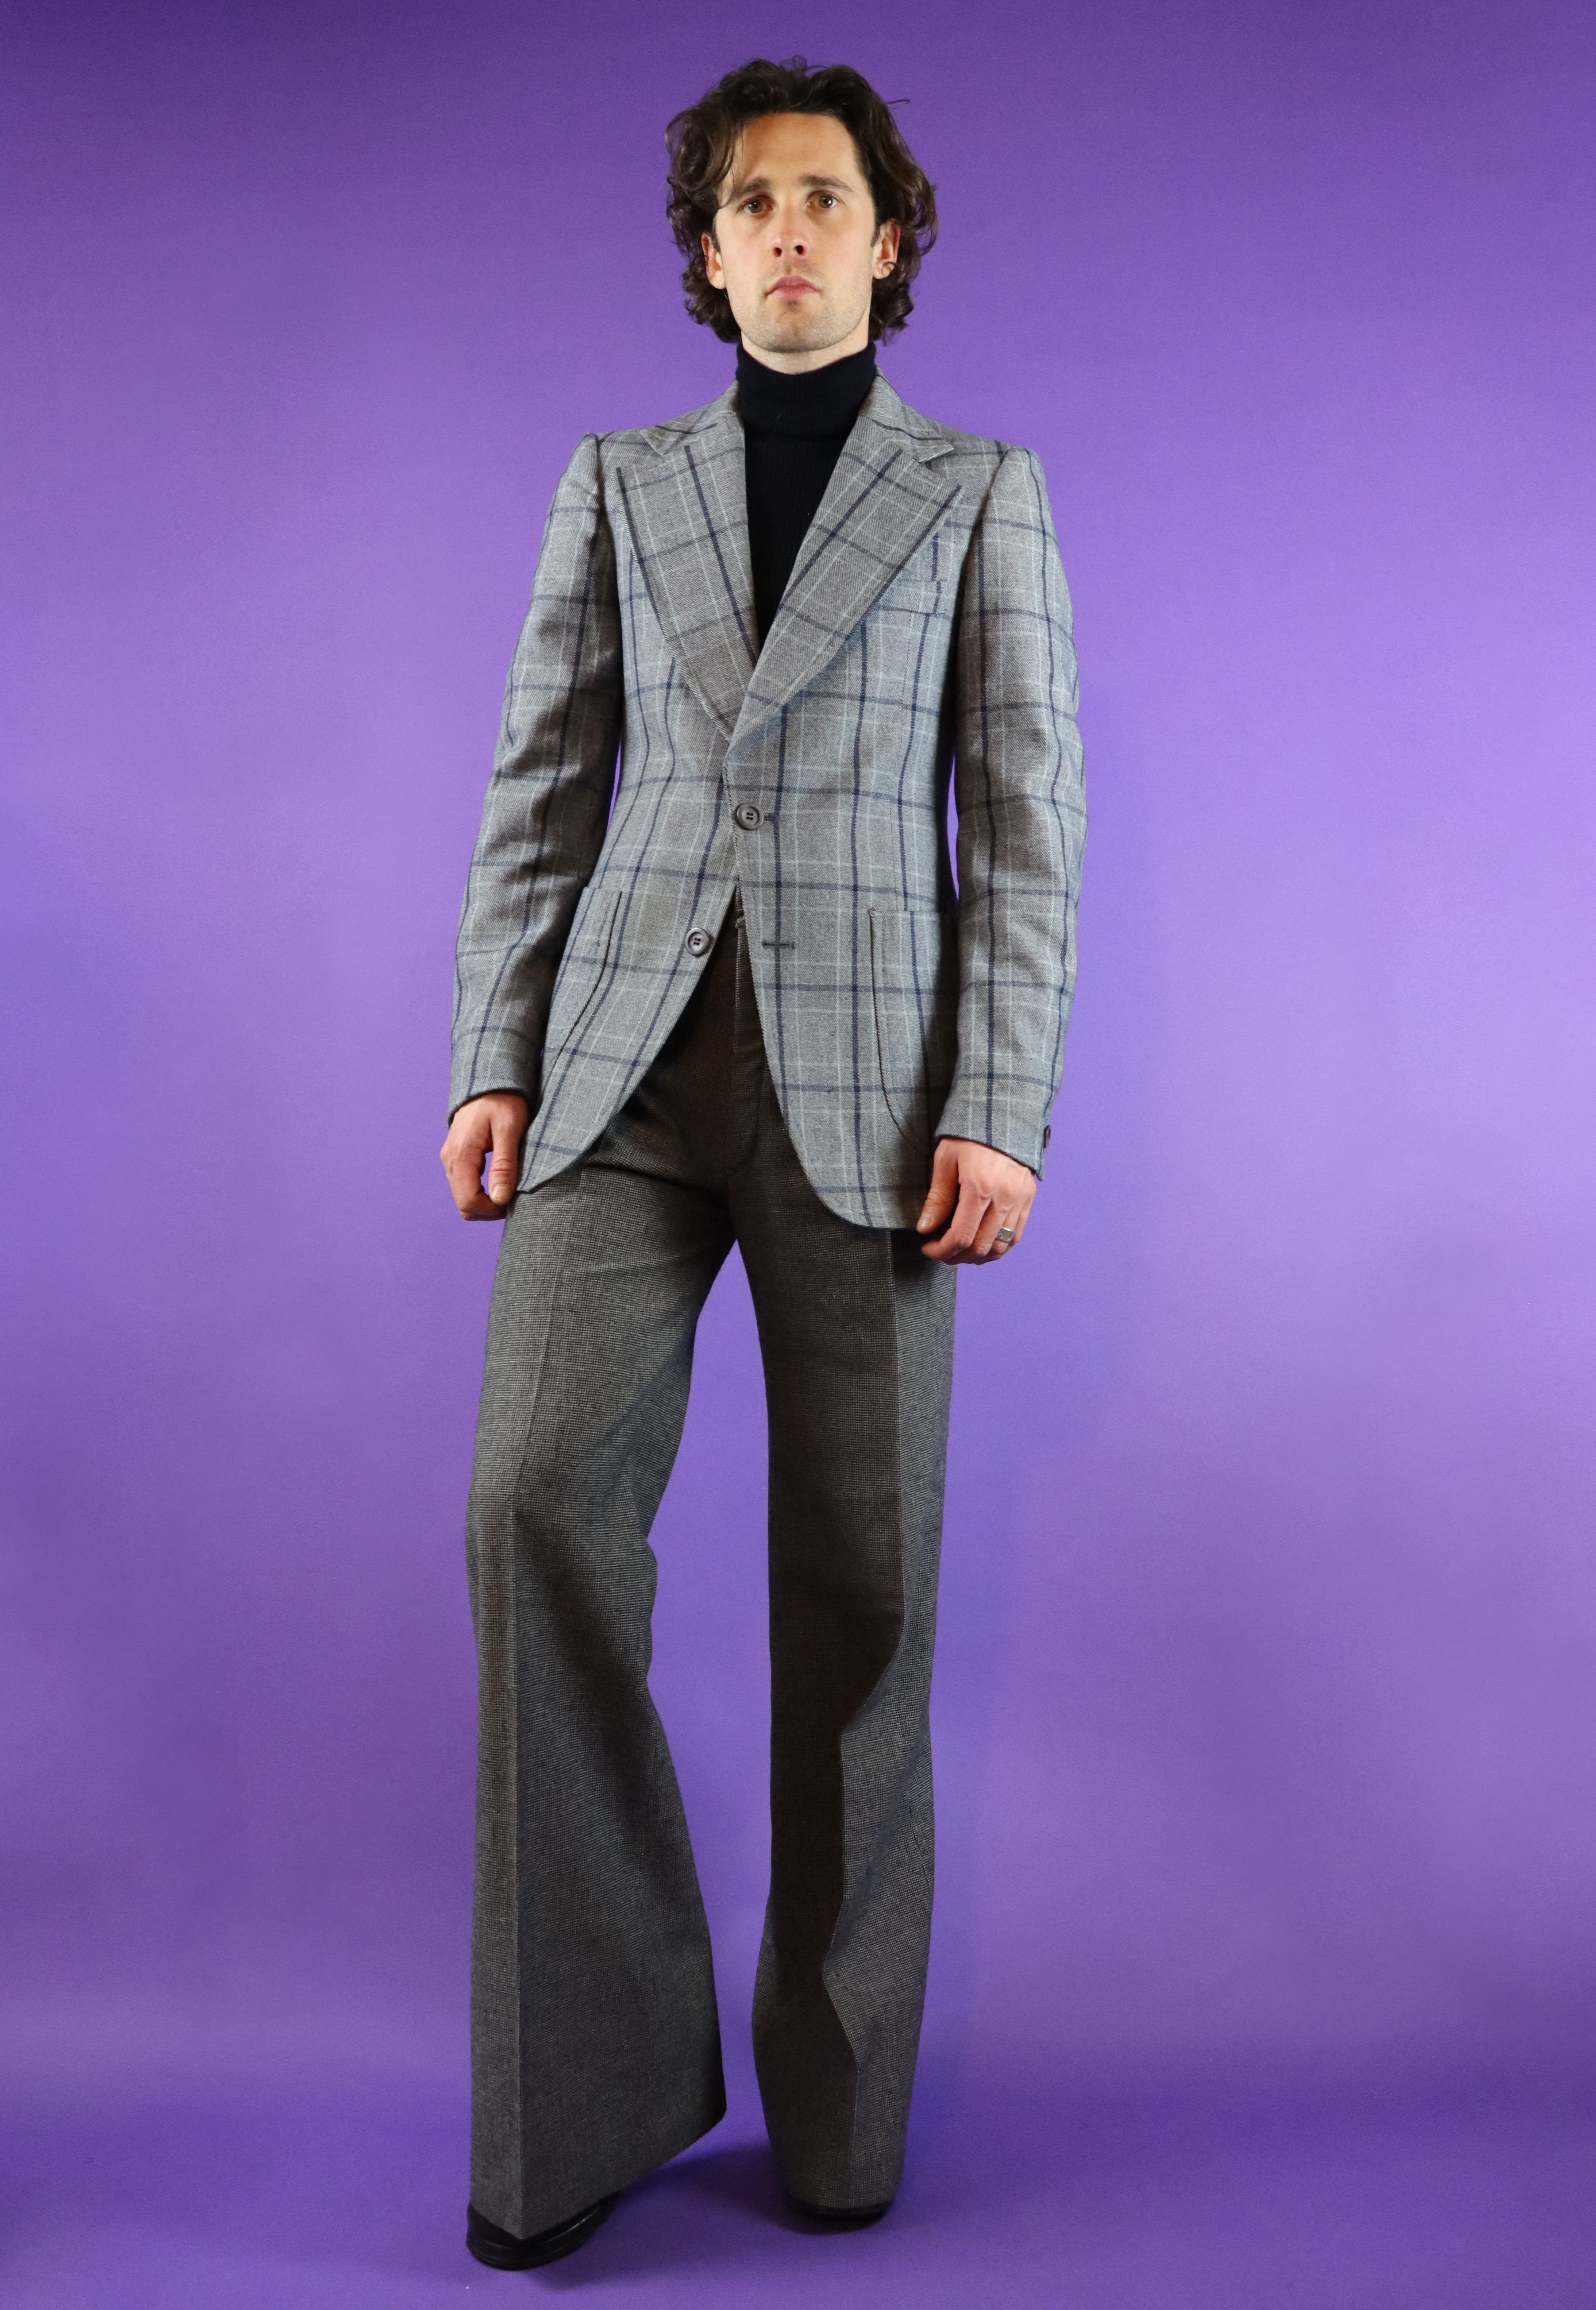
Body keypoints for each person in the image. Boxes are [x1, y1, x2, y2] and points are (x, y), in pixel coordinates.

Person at [439, 54, 1085, 2271]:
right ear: (709, 259)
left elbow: (1028, 820)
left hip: (878, 1094)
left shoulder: (980, 492)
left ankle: (837, 2113)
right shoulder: (619, 484)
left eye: (825, 199)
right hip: (621, 1070)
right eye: (751, 205)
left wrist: (998, 1098)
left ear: (888, 243)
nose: (789, 230)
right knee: (529, 1505)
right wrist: (490, 1054)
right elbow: (543, 780)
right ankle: (588, 2097)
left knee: (862, 1595)